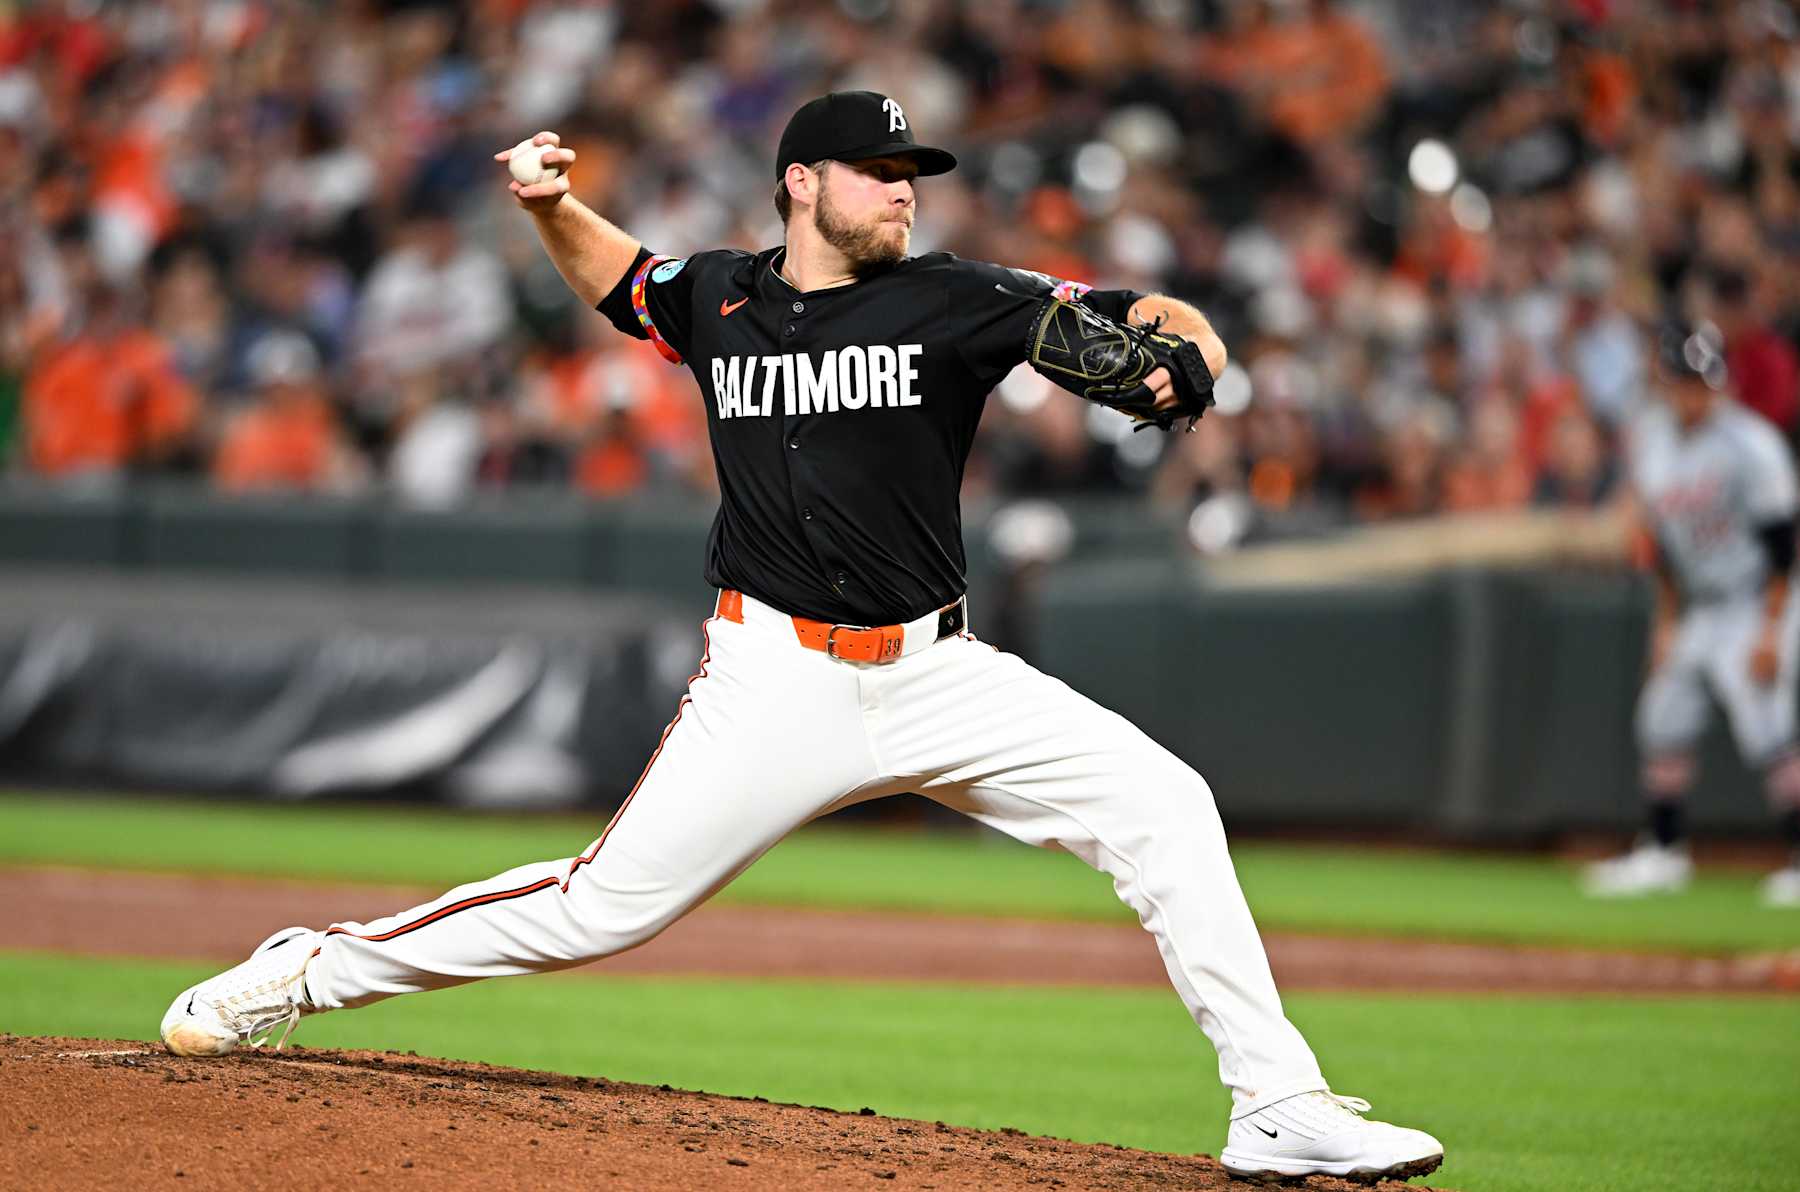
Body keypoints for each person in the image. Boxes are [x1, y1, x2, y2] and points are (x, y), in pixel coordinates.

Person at [157, 91, 1445, 1183]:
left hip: (938, 671)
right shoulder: (721, 297)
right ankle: (304, 972)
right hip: (772, 675)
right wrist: (550, 207)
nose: (903, 193)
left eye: (912, 175)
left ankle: (1278, 1107)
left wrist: (1193, 351)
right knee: (598, 908)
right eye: (879, 175)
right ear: (800, 184)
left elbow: (1142, 314)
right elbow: (625, 282)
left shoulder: (959, 297)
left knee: (1167, 802)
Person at [1586, 321, 1800, 907]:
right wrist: (1665, 623)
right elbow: (1665, 550)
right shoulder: (1653, 439)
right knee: (1661, 717)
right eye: (1684, 382)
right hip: (1698, 606)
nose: (1694, 394)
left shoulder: (1750, 443)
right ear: (1666, 381)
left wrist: (1772, 630)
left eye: (1704, 383)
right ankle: (1663, 851)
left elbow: (1785, 543)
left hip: (1757, 597)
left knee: (1767, 728)